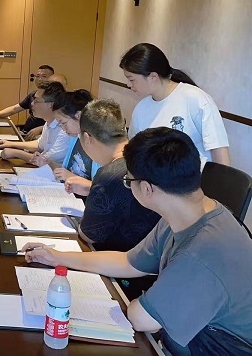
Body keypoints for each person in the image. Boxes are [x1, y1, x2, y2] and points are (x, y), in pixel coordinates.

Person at [23, 127, 252, 354]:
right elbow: (128, 262)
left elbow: (142, 319)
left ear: (146, 188)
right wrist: (58, 257)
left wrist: (139, 303)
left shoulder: (202, 251)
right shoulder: (186, 212)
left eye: (128, 181)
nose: (128, 185)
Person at [64, 99, 161, 251]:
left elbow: (89, 235)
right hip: (155, 253)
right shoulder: (148, 157)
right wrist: (92, 189)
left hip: (122, 257)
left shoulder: (109, 175)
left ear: (88, 138)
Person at [120, 43, 230, 166]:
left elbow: (219, 152)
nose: (128, 84)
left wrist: (220, 179)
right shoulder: (141, 108)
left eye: (131, 79)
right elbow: (134, 152)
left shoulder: (196, 99)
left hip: (195, 177)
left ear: (153, 76)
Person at [0, 81, 71, 164]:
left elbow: (45, 161)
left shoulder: (65, 129)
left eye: (36, 100)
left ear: (51, 104)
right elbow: (39, 145)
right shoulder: (49, 121)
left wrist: (16, 153)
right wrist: (11, 144)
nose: (32, 104)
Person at [34, 88, 99, 184]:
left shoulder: (97, 144)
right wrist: (49, 164)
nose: (63, 129)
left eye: (63, 123)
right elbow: (66, 170)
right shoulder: (75, 138)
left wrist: (71, 177)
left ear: (78, 115)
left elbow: (99, 187)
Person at [0, 65, 62, 139]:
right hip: (27, 133)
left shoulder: (57, 98)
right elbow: (15, 109)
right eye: (37, 76)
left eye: (44, 76)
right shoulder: (33, 94)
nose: (40, 79)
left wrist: (41, 129)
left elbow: (58, 121)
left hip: (38, 136)